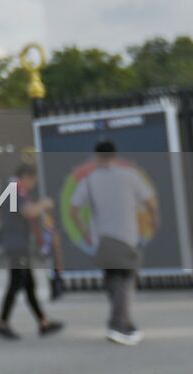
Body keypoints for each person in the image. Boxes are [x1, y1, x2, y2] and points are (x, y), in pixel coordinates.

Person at [72, 139, 158, 347]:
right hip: (127, 236)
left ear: (96, 157)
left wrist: (84, 232)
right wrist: (154, 221)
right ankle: (119, 325)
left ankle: (123, 322)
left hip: (103, 239)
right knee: (125, 281)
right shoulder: (130, 176)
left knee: (113, 280)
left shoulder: (89, 180)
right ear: (115, 155)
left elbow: (74, 209)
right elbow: (150, 202)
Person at [0, 163, 64, 340]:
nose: (33, 185)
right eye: (33, 181)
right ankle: (2, 323)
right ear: (26, 177)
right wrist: (43, 204)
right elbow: (29, 212)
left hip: (16, 244)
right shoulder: (16, 191)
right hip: (17, 245)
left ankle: (43, 322)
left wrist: (9, 219)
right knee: (16, 283)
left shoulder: (9, 190)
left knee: (28, 285)